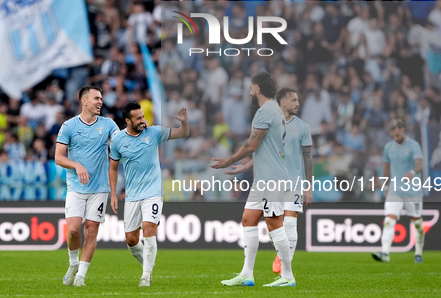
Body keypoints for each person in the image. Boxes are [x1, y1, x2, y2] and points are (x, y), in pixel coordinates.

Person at [210, 72, 296, 287]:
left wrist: (228, 161)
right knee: (248, 219)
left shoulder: (264, 111)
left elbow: (252, 145)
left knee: (274, 223)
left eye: (251, 87)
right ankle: (247, 274)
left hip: (271, 178)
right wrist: (247, 165)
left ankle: (287, 276)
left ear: (258, 89)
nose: (249, 90)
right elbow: (269, 149)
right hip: (264, 177)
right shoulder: (275, 110)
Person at [226, 87, 313, 274]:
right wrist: (246, 166)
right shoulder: (271, 123)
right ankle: (272, 261)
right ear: (282, 102)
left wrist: (308, 186)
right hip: (272, 180)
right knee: (271, 224)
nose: (298, 104)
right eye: (294, 100)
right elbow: (261, 151)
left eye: (298, 100)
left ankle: (284, 268)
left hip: (294, 183)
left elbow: (307, 158)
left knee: (289, 222)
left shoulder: (303, 127)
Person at [109, 102, 189, 287]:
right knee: (131, 239)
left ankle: (145, 276)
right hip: (132, 195)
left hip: (153, 192)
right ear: (128, 121)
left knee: (149, 229)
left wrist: (184, 123)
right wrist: (113, 194)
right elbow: (113, 168)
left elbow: (182, 133)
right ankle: (148, 265)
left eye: (143, 116)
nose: (143, 120)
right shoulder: (118, 140)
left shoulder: (153, 132)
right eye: (138, 118)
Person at [55, 85, 119, 287]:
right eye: (96, 98)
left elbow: (122, 142)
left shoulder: (108, 124)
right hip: (75, 187)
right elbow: (58, 157)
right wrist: (76, 165)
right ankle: (73, 263)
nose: (100, 102)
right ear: (84, 101)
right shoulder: (69, 126)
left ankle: (81, 276)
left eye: (101, 98)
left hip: (99, 188)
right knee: (73, 230)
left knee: (91, 231)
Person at [372, 119, 425, 264]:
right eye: (393, 136)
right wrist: (386, 187)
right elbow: (386, 168)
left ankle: (418, 252)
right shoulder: (389, 147)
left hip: (413, 192)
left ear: (403, 130)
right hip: (395, 190)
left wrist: (413, 172)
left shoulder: (414, 145)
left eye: (397, 135)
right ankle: (385, 253)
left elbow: (420, 165)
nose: (395, 138)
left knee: (418, 225)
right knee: (388, 221)